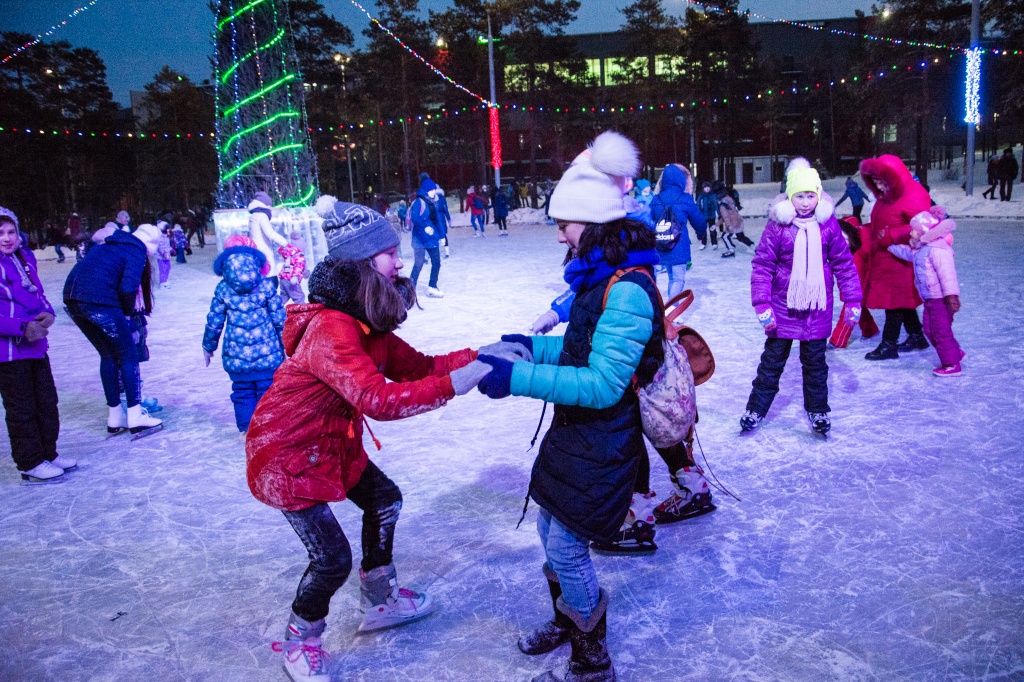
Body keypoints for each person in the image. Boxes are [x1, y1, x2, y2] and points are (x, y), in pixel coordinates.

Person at [245, 198, 496, 682]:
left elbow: (418, 366)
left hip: (332, 444)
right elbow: (377, 398)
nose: (399, 263)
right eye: (389, 253)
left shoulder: (367, 319)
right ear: (363, 263)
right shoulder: (333, 327)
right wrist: (458, 384)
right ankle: (302, 639)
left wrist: (482, 354)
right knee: (331, 559)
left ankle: (381, 601)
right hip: (289, 455)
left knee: (384, 501)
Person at [477, 131, 662, 682]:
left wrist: (519, 378)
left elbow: (604, 383)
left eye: (566, 223)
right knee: (548, 535)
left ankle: (591, 660)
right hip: (575, 437)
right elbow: (582, 347)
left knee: (566, 550)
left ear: (596, 222)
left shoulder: (627, 288)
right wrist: (532, 346)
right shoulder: (597, 279)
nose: (559, 233)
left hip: (603, 441)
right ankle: (568, 619)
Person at [741, 166, 861, 436]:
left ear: (818, 196)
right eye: (799, 197)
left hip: (817, 308)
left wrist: (852, 299)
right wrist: (762, 304)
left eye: (810, 196)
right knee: (772, 363)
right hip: (783, 308)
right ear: (789, 198)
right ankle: (755, 409)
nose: (805, 203)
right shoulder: (777, 227)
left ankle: (818, 409)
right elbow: (762, 266)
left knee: (816, 364)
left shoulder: (828, 225)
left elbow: (844, 264)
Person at [63, 223, 164, 437]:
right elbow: (128, 287)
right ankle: (136, 415)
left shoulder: (108, 245)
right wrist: (127, 314)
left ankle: (115, 416)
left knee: (108, 355)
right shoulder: (136, 250)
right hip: (100, 301)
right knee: (128, 355)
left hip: (73, 300)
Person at [0, 208, 75, 483]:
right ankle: (30, 461)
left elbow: (38, 294)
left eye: (11, 232)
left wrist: (48, 313)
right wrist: (22, 327)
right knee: (22, 407)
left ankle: (48, 453)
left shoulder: (25, 258)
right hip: (8, 352)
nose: (7, 239)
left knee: (46, 401)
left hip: (36, 345)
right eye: (0, 234)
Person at [203, 236, 285, 434]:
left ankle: (247, 430)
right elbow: (280, 319)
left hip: (236, 356)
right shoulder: (265, 285)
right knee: (267, 390)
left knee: (242, 392)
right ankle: (267, 428)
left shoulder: (223, 287)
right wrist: (287, 344)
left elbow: (215, 321)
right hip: (268, 353)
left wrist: (208, 346)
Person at [859, 155, 932, 360]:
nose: (879, 187)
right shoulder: (888, 195)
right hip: (886, 256)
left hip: (901, 258)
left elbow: (922, 225)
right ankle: (917, 335)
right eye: (875, 182)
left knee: (894, 302)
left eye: (883, 181)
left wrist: (891, 236)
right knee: (902, 300)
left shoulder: (913, 195)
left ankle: (888, 344)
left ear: (895, 178)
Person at [887, 207, 964, 377]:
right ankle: (955, 353)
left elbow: (948, 275)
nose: (911, 232)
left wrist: (952, 296)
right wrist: (889, 245)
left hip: (941, 299)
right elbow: (908, 253)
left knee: (940, 331)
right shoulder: (922, 248)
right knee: (929, 330)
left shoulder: (938, 249)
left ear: (924, 232)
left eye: (914, 229)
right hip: (929, 298)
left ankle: (952, 364)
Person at [650, 164, 707, 297]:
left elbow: (649, 220)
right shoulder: (685, 198)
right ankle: (672, 309)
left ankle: (670, 307)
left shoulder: (656, 199)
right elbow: (699, 220)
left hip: (661, 243)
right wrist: (701, 232)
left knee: (671, 277)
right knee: (678, 279)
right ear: (681, 180)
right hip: (678, 244)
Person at [408, 174, 445, 298]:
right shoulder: (419, 202)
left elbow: (437, 220)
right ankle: (410, 289)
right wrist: (425, 227)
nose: (434, 191)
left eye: (434, 189)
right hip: (419, 238)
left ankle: (432, 286)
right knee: (418, 263)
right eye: (432, 189)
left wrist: (442, 236)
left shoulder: (433, 203)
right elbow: (415, 218)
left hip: (431, 238)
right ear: (427, 190)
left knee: (436, 262)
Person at [248, 192, 288, 282]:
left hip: (255, 249)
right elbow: (269, 233)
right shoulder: (262, 215)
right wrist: (285, 243)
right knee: (270, 276)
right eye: (269, 205)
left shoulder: (253, 215)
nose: (270, 208)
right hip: (263, 249)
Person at [716, 183, 753, 257]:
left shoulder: (722, 205)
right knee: (741, 237)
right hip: (739, 220)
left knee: (725, 236)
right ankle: (754, 247)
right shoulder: (728, 199)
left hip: (733, 223)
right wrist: (717, 224)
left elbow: (725, 217)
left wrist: (729, 225)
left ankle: (731, 250)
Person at [278, 230, 309, 305]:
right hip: (291, 280)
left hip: (283, 279)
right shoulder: (299, 256)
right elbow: (298, 267)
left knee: (284, 296)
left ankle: (276, 308)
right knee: (299, 297)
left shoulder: (289, 254)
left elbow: (281, 250)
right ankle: (302, 313)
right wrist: (295, 277)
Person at [695, 181, 719, 250]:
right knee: (703, 230)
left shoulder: (713, 196)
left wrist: (717, 212)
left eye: (708, 187)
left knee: (712, 230)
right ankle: (703, 243)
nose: (707, 189)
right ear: (703, 188)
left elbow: (716, 205)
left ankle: (714, 243)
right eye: (705, 188)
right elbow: (698, 205)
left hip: (711, 216)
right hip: (703, 216)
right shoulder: (701, 196)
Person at [436, 187, 453, 256]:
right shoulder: (442, 199)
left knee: (434, 235)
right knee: (443, 234)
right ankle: (447, 251)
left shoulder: (431, 198)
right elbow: (445, 209)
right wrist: (448, 219)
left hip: (434, 218)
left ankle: (433, 253)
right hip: (441, 218)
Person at [155, 221, 173, 289]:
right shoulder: (161, 237)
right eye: (167, 229)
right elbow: (160, 246)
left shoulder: (165, 237)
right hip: (161, 257)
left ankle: (165, 280)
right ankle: (162, 282)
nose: (169, 230)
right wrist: (164, 253)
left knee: (168, 268)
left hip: (166, 256)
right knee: (163, 269)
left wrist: (171, 249)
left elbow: (166, 245)